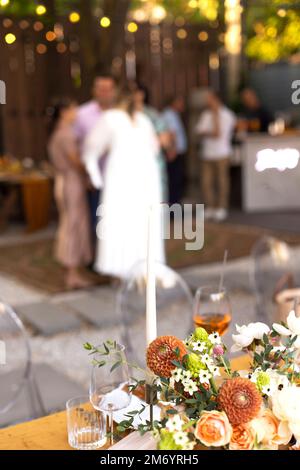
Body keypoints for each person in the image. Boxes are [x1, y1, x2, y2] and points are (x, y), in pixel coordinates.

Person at [83, 89, 165, 279]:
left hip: (132, 176)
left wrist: (96, 177)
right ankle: (128, 269)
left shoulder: (131, 119)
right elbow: (155, 147)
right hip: (133, 176)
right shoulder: (133, 119)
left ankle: (136, 269)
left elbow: (90, 148)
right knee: (129, 221)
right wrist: (96, 177)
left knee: (134, 221)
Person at [48, 99, 93, 289]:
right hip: (70, 182)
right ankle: (72, 273)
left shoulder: (59, 133)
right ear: (65, 112)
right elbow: (75, 161)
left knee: (70, 223)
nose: (77, 113)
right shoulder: (65, 134)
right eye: (74, 109)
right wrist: (89, 174)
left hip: (65, 180)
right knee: (72, 225)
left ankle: (72, 270)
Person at [74, 72, 117, 241]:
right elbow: (74, 146)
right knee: (97, 219)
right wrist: (85, 173)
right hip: (95, 177)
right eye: (101, 89)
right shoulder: (82, 114)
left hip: (118, 177)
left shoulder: (120, 114)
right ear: (94, 90)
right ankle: (97, 258)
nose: (105, 93)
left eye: (108, 89)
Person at [195, 90, 236, 222]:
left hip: (222, 153)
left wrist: (209, 131)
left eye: (210, 99)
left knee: (222, 181)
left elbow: (218, 133)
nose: (208, 102)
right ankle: (210, 207)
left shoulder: (227, 114)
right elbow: (199, 130)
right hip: (207, 153)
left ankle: (221, 207)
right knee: (206, 182)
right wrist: (209, 132)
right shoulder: (206, 114)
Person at [133, 82, 171, 201]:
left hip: (151, 164)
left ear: (141, 95)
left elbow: (165, 140)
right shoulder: (121, 115)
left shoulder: (151, 114)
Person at [162, 95, 188, 205]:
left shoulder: (174, 114)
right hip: (173, 153)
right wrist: (172, 150)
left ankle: (175, 207)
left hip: (176, 152)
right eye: (180, 102)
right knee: (174, 181)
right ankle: (174, 208)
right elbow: (172, 134)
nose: (182, 105)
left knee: (176, 180)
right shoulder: (169, 115)